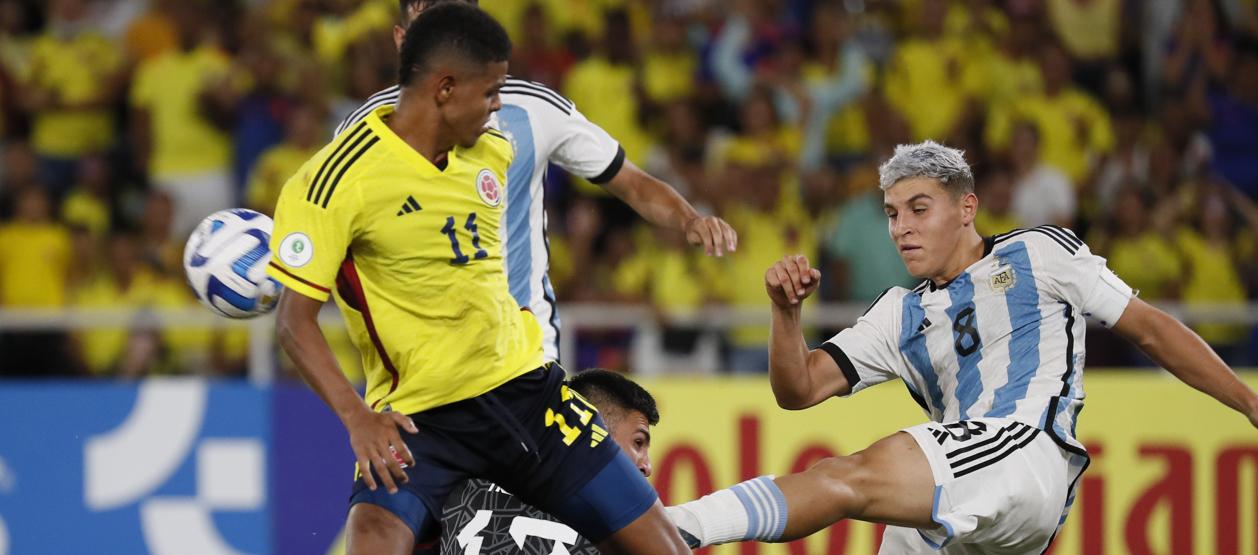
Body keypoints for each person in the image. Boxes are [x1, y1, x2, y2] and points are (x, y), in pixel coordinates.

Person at [666, 141, 1258, 553]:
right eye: (893, 214)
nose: (902, 228)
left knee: (848, 476)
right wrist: (785, 314)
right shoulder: (899, 312)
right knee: (868, 499)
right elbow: (797, 391)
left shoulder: (1039, 253)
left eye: (919, 209)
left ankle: (667, 528)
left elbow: (1152, 329)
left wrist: (1250, 404)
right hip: (971, 502)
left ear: (966, 207)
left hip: (1026, 453)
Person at [266, 6, 690, 555]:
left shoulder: (491, 151)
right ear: (445, 88)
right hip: (421, 419)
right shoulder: (333, 181)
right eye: (491, 92)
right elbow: (293, 323)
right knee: (370, 543)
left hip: (528, 396)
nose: (499, 106)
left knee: (665, 548)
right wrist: (357, 417)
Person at [337, 0, 737, 363]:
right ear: (402, 39)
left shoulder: (532, 109)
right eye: (429, 28)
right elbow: (332, 236)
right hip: (419, 370)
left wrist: (690, 220)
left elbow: (631, 182)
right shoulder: (363, 131)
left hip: (524, 361)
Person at [439, 369, 660, 554]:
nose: (646, 467)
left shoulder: (462, 487)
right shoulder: (570, 534)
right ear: (597, 434)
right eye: (638, 443)